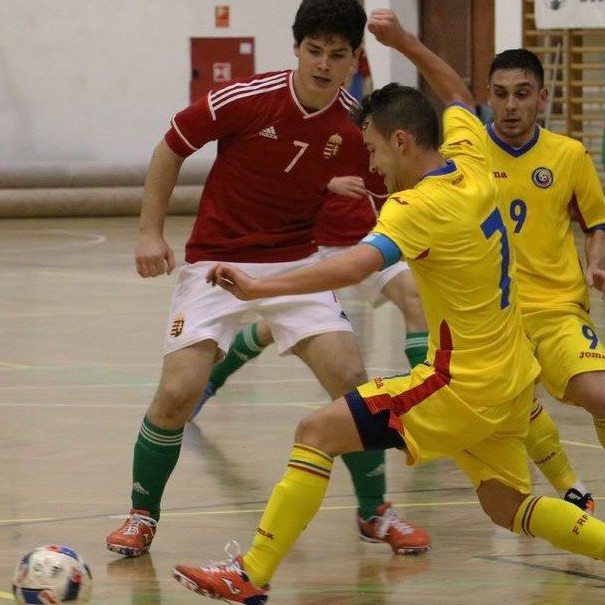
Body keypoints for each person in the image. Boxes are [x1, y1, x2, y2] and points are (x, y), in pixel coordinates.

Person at [172, 11, 605, 603]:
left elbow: (353, 265)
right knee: (506, 507)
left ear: (401, 141)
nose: (372, 164)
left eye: (373, 149)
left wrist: (259, 287)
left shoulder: (415, 206)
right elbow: (454, 89)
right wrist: (405, 42)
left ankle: (250, 575)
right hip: (509, 381)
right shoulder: (472, 157)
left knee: (316, 430)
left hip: (460, 384)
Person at [106, 0, 429, 559]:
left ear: (355, 59)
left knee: (352, 380)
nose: (323, 65)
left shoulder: (357, 124)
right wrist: (149, 233)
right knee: (178, 393)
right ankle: (141, 514)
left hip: (296, 264)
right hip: (215, 262)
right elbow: (171, 148)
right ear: (297, 49)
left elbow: (397, 174)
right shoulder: (248, 98)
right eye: (313, 51)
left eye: (337, 54)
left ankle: (374, 512)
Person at [188, 181, 429, 419]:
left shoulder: (372, 145)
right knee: (271, 330)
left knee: (414, 299)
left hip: (366, 242)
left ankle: (427, 398)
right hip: (308, 247)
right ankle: (213, 379)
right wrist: (325, 183)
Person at [483, 46, 605, 511]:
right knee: (511, 402)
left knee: (598, 392)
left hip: (557, 305)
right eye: (501, 94)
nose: (511, 105)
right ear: (488, 98)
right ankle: (572, 489)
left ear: (543, 98)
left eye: (522, 94)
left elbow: (596, 223)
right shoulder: (469, 154)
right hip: (493, 313)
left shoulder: (568, 155)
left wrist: (597, 263)